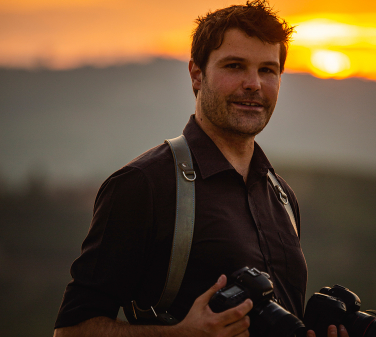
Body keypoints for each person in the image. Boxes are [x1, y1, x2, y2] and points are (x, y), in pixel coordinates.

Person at [53, 1, 348, 336]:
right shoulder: (145, 185)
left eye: (267, 70)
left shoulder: (281, 195)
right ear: (196, 74)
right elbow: (72, 330)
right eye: (235, 66)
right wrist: (182, 334)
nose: (253, 84)